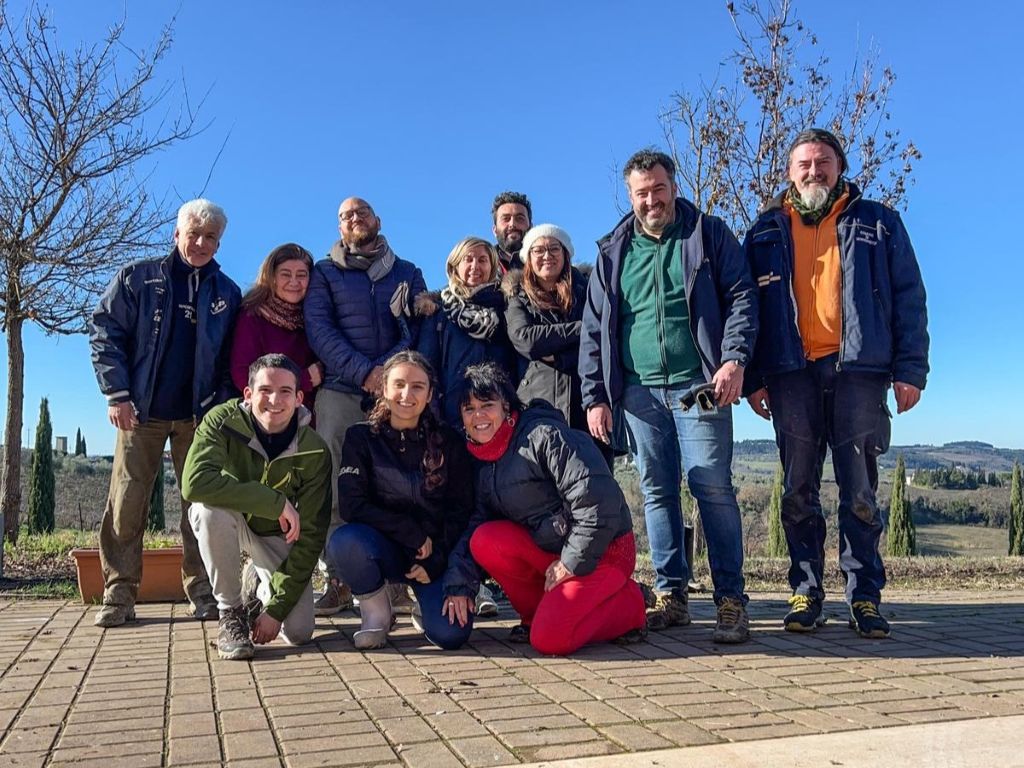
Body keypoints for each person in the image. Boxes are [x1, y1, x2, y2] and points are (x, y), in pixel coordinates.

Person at [743, 128, 929, 639]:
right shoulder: (764, 231)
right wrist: (755, 377)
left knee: (860, 491)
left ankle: (864, 596)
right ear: (789, 172)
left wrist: (910, 370)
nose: (813, 171)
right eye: (803, 163)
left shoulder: (879, 222)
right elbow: (749, 310)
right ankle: (805, 591)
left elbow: (909, 296)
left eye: (823, 162)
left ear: (839, 167)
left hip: (860, 374)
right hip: (790, 374)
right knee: (798, 489)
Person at [579, 148, 757, 644]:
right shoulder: (613, 251)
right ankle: (671, 595)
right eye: (642, 192)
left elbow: (743, 295)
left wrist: (734, 357)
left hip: (699, 386)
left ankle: (729, 601)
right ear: (630, 195)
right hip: (638, 394)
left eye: (659, 189)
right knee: (657, 491)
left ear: (674, 186)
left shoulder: (708, 235)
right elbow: (595, 330)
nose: (651, 199)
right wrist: (597, 396)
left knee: (711, 487)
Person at [89, 198, 241, 628]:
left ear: (219, 242)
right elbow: (105, 331)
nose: (200, 242)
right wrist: (117, 395)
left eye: (210, 236)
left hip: (199, 419)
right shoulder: (137, 279)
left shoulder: (226, 293)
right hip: (140, 412)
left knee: (200, 504)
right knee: (127, 501)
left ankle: (203, 592)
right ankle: (119, 594)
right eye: (193, 233)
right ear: (176, 234)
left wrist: (220, 406)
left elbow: (232, 358)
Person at [449, 363, 647, 656]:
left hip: (605, 550)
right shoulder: (482, 460)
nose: (478, 416)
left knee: (550, 640)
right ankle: (538, 614)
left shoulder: (545, 436)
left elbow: (597, 503)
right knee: (484, 539)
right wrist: (459, 584)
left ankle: (631, 604)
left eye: (487, 405)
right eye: (469, 409)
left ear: (506, 405)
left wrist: (569, 562)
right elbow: (474, 525)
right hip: (552, 549)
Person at [304, 197, 427, 616]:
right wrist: (365, 373)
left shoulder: (407, 273)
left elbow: (414, 326)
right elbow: (319, 330)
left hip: (395, 395)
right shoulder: (324, 273)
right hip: (341, 391)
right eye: (345, 216)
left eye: (361, 213)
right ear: (340, 228)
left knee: (397, 487)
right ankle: (340, 579)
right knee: (337, 486)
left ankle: (396, 581)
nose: (354, 219)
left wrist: (387, 375)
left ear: (377, 220)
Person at [182, 354, 330, 660]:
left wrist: (276, 611)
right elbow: (194, 483)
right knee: (206, 510)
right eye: (265, 390)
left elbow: (313, 534)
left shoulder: (315, 448)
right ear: (248, 394)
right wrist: (273, 501)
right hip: (231, 520)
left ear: (300, 398)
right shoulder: (221, 420)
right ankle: (231, 613)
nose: (274, 400)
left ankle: (257, 587)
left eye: (286, 391)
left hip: (275, 536)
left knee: (299, 632)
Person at [326, 351, 476, 650]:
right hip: (384, 548)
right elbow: (352, 505)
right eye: (399, 384)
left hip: (434, 555)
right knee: (344, 541)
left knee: (450, 635)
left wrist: (436, 559)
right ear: (384, 388)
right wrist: (409, 532)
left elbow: (463, 510)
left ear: (430, 393)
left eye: (418, 386)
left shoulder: (450, 440)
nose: (407, 395)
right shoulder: (361, 437)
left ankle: (424, 605)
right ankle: (377, 611)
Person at [503, 224, 610, 464]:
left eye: (554, 248)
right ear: (528, 258)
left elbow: (603, 337)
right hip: (539, 407)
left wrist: (558, 357)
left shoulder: (589, 290)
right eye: (538, 250)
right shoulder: (519, 297)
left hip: (589, 403)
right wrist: (582, 329)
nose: (547, 255)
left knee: (596, 484)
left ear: (565, 254)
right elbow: (527, 341)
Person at [415, 236, 518, 428]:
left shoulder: (507, 306)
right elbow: (425, 367)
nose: (475, 266)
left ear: (492, 266)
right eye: (468, 259)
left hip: (501, 414)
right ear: (454, 267)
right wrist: (436, 417)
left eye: (482, 260)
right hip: (453, 417)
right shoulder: (438, 311)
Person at [230, 243, 322, 409]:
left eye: (301, 275)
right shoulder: (253, 315)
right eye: (285, 274)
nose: (294, 282)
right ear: (271, 277)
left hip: (309, 418)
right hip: (268, 415)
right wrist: (304, 380)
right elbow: (242, 374)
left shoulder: (315, 317)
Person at [491, 191, 532, 272]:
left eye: (520, 218)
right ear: (495, 230)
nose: (512, 224)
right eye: (506, 219)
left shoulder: (545, 262)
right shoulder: (481, 266)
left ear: (531, 227)